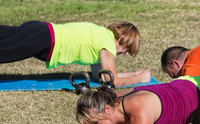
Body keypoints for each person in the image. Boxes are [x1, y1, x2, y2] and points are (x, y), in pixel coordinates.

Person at [0, 21, 151, 87]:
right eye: (127, 49)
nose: (124, 53)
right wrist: (139, 79)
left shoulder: (103, 36)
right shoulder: (108, 45)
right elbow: (111, 81)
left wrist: (132, 73)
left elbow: (101, 76)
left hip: (39, 30)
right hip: (43, 40)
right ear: (122, 39)